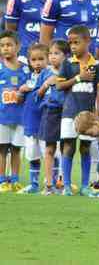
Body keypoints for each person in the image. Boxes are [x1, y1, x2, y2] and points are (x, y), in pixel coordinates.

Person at [55, 26, 99, 196]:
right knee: (68, 147)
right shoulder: (68, 63)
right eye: (70, 43)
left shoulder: (97, 65)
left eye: (77, 42)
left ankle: (84, 186)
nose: (73, 46)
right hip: (69, 112)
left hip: (88, 114)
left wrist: (97, 113)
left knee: (85, 147)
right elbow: (59, 85)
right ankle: (67, 185)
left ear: (87, 41)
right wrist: (78, 78)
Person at [17, 43, 50, 194]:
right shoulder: (27, 77)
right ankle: (34, 184)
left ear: (47, 59)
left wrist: (30, 88)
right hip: (30, 122)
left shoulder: (50, 76)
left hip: (45, 121)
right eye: (34, 60)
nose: (37, 63)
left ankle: (52, 182)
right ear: (29, 61)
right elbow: (20, 97)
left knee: (49, 153)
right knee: (32, 154)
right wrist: (20, 92)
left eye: (41, 59)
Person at [0, 31, 30, 192]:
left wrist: (25, 91)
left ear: (17, 47)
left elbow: (32, 87)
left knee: (17, 149)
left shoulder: (25, 70)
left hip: (20, 117)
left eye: (9, 45)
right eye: (2, 46)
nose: (5, 48)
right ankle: (2, 180)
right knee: (2, 149)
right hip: (2, 116)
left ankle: (15, 179)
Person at [38, 40, 69, 195]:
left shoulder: (69, 72)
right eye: (50, 53)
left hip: (66, 112)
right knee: (49, 148)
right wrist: (45, 85)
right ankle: (48, 184)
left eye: (57, 53)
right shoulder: (45, 73)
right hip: (50, 113)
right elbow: (37, 94)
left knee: (66, 148)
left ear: (66, 56)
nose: (52, 57)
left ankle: (64, 182)